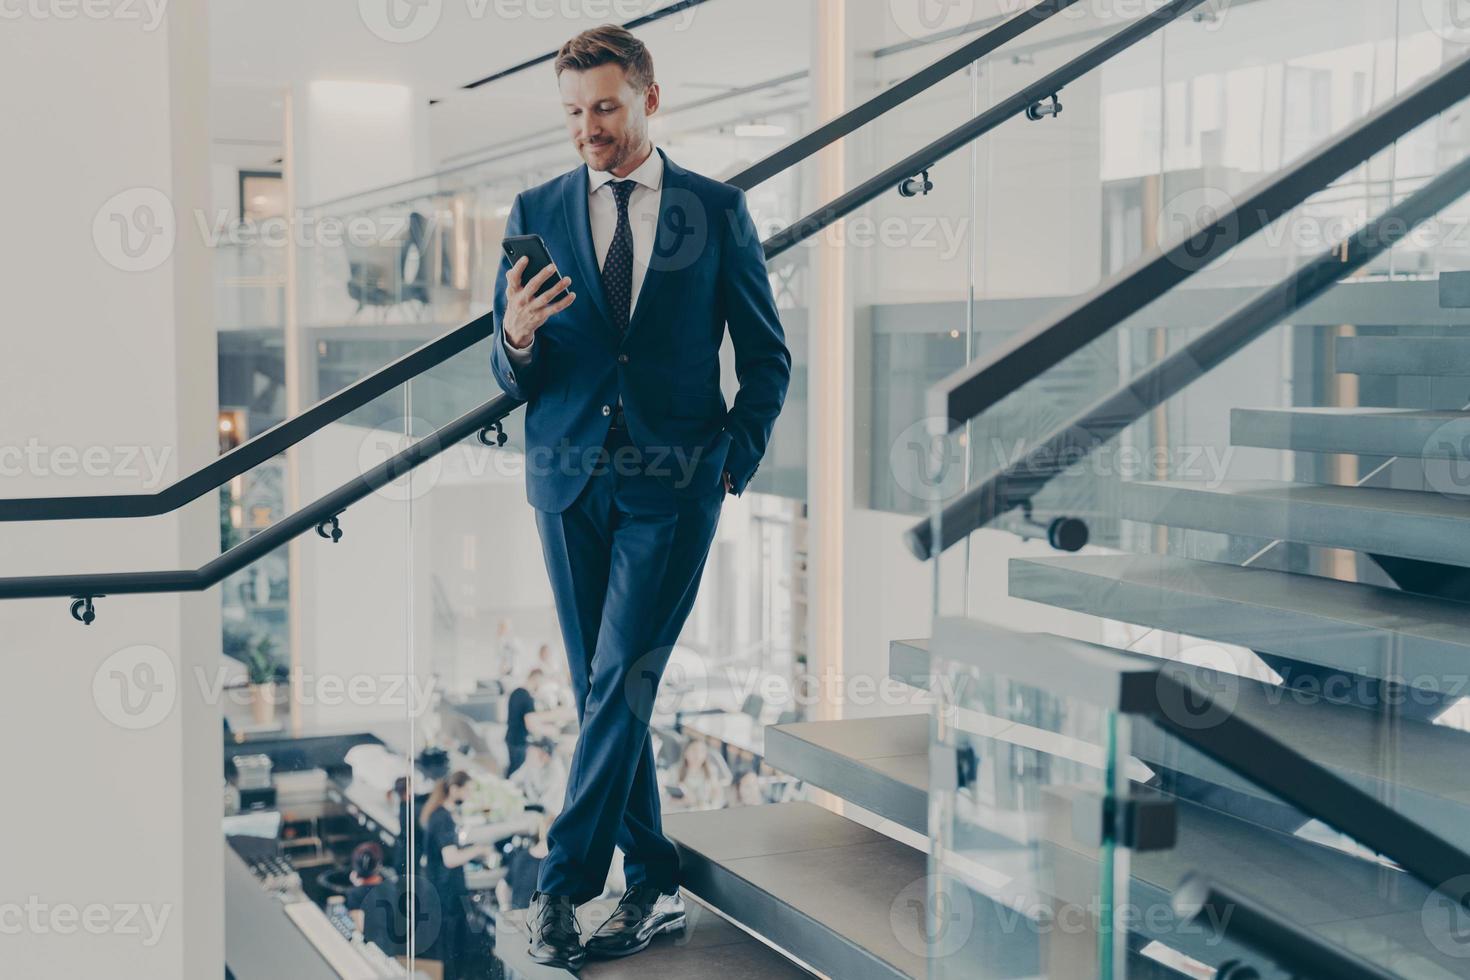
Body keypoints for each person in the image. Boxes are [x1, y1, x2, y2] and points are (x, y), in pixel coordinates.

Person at [489, 24, 789, 969]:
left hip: (674, 487)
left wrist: (732, 460)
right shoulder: (535, 207)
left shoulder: (716, 209)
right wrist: (518, 338)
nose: (589, 130)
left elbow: (768, 355)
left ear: (650, 99)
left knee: (622, 681)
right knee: (599, 693)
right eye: (574, 114)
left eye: (605, 108)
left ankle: (562, 887)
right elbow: (509, 371)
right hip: (567, 484)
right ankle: (653, 874)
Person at [419, 771, 495, 980]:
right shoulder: (443, 818)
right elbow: (450, 859)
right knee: (450, 948)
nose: (469, 795)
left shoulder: (440, 814)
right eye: (467, 790)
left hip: (442, 891)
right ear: (454, 790)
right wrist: (479, 850)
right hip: (446, 893)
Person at [345, 843, 400, 956]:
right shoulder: (390, 886)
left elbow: (358, 929)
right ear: (378, 865)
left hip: (371, 951)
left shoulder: (355, 894)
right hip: (390, 947)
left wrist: (358, 886)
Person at [664, 738, 731, 811]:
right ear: (686, 752)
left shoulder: (711, 771)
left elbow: (717, 796)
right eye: (694, 750)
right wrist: (683, 801)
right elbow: (667, 800)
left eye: (702, 751)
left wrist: (711, 807)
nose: (698, 755)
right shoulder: (674, 771)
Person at [509, 736, 568, 818]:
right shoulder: (530, 763)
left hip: (552, 813)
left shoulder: (557, 770)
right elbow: (514, 779)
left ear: (545, 755)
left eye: (533, 753)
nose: (529, 756)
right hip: (534, 809)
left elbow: (548, 802)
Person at [504, 669, 545, 777]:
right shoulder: (527, 698)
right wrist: (549, 731)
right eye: (541, 682)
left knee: (513, 768)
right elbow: (530, 724)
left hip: (510, 737)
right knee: (516, 772)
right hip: (519, 741)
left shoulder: (516, 692)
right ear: (536, 678)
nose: (541, 686)